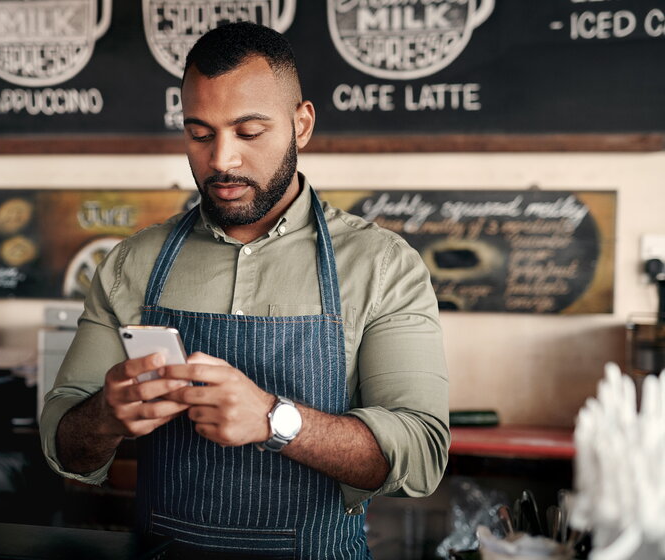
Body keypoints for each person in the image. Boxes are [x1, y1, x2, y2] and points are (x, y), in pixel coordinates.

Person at [40, 22, 449, 559]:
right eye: (200, 134)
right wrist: (105, 415)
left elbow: (420, 456)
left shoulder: (383, 266)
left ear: (301, 125)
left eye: (250, 132)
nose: (221, 160)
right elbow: (63, 445)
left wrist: (275, 421)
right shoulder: (131, 264)